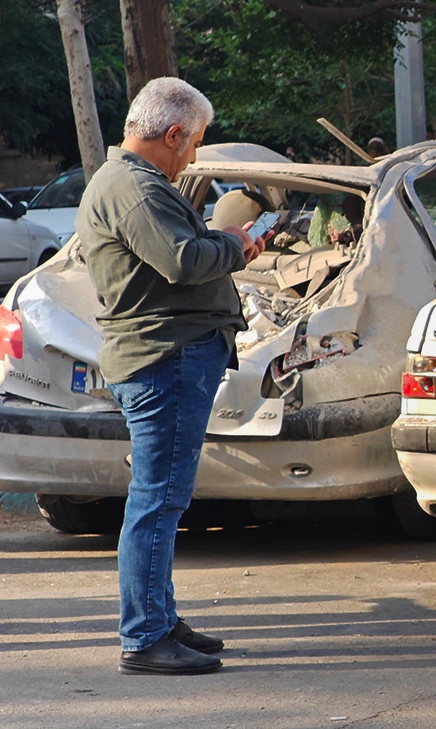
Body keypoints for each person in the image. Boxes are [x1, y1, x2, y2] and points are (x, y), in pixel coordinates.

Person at [76, 77, 264, 675]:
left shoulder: (130, 183)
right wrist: (232, 243)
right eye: (194, 142)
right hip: (167, 356)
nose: (193, 155)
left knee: (159, 499)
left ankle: (160, 617)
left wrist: (218, 243)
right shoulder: (136, 188)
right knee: (157, 502)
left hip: (164, 354)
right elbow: (182, 260)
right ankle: (145, 636)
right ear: (173, 133)